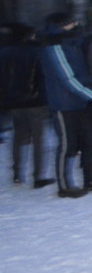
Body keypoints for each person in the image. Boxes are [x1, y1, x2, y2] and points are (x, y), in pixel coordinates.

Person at [41, 12, 92, 198]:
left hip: (82, 103)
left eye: (74, 22)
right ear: (58, 27)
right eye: (69, 23)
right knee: (67, 145)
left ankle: (90, 179)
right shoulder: (54, 47)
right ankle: (64, 186)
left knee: (90, 141)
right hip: (64, 104)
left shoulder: (74, 44)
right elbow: (67, 78)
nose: (75, 25)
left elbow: (85, 74)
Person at [0, 23, 55, 188]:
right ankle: (38, 176)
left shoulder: (4, 53)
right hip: (36, 102)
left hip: (14, 102)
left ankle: (18, 173)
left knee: (19, 138)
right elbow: (43, 76)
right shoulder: (37, 52)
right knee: (39, 139)